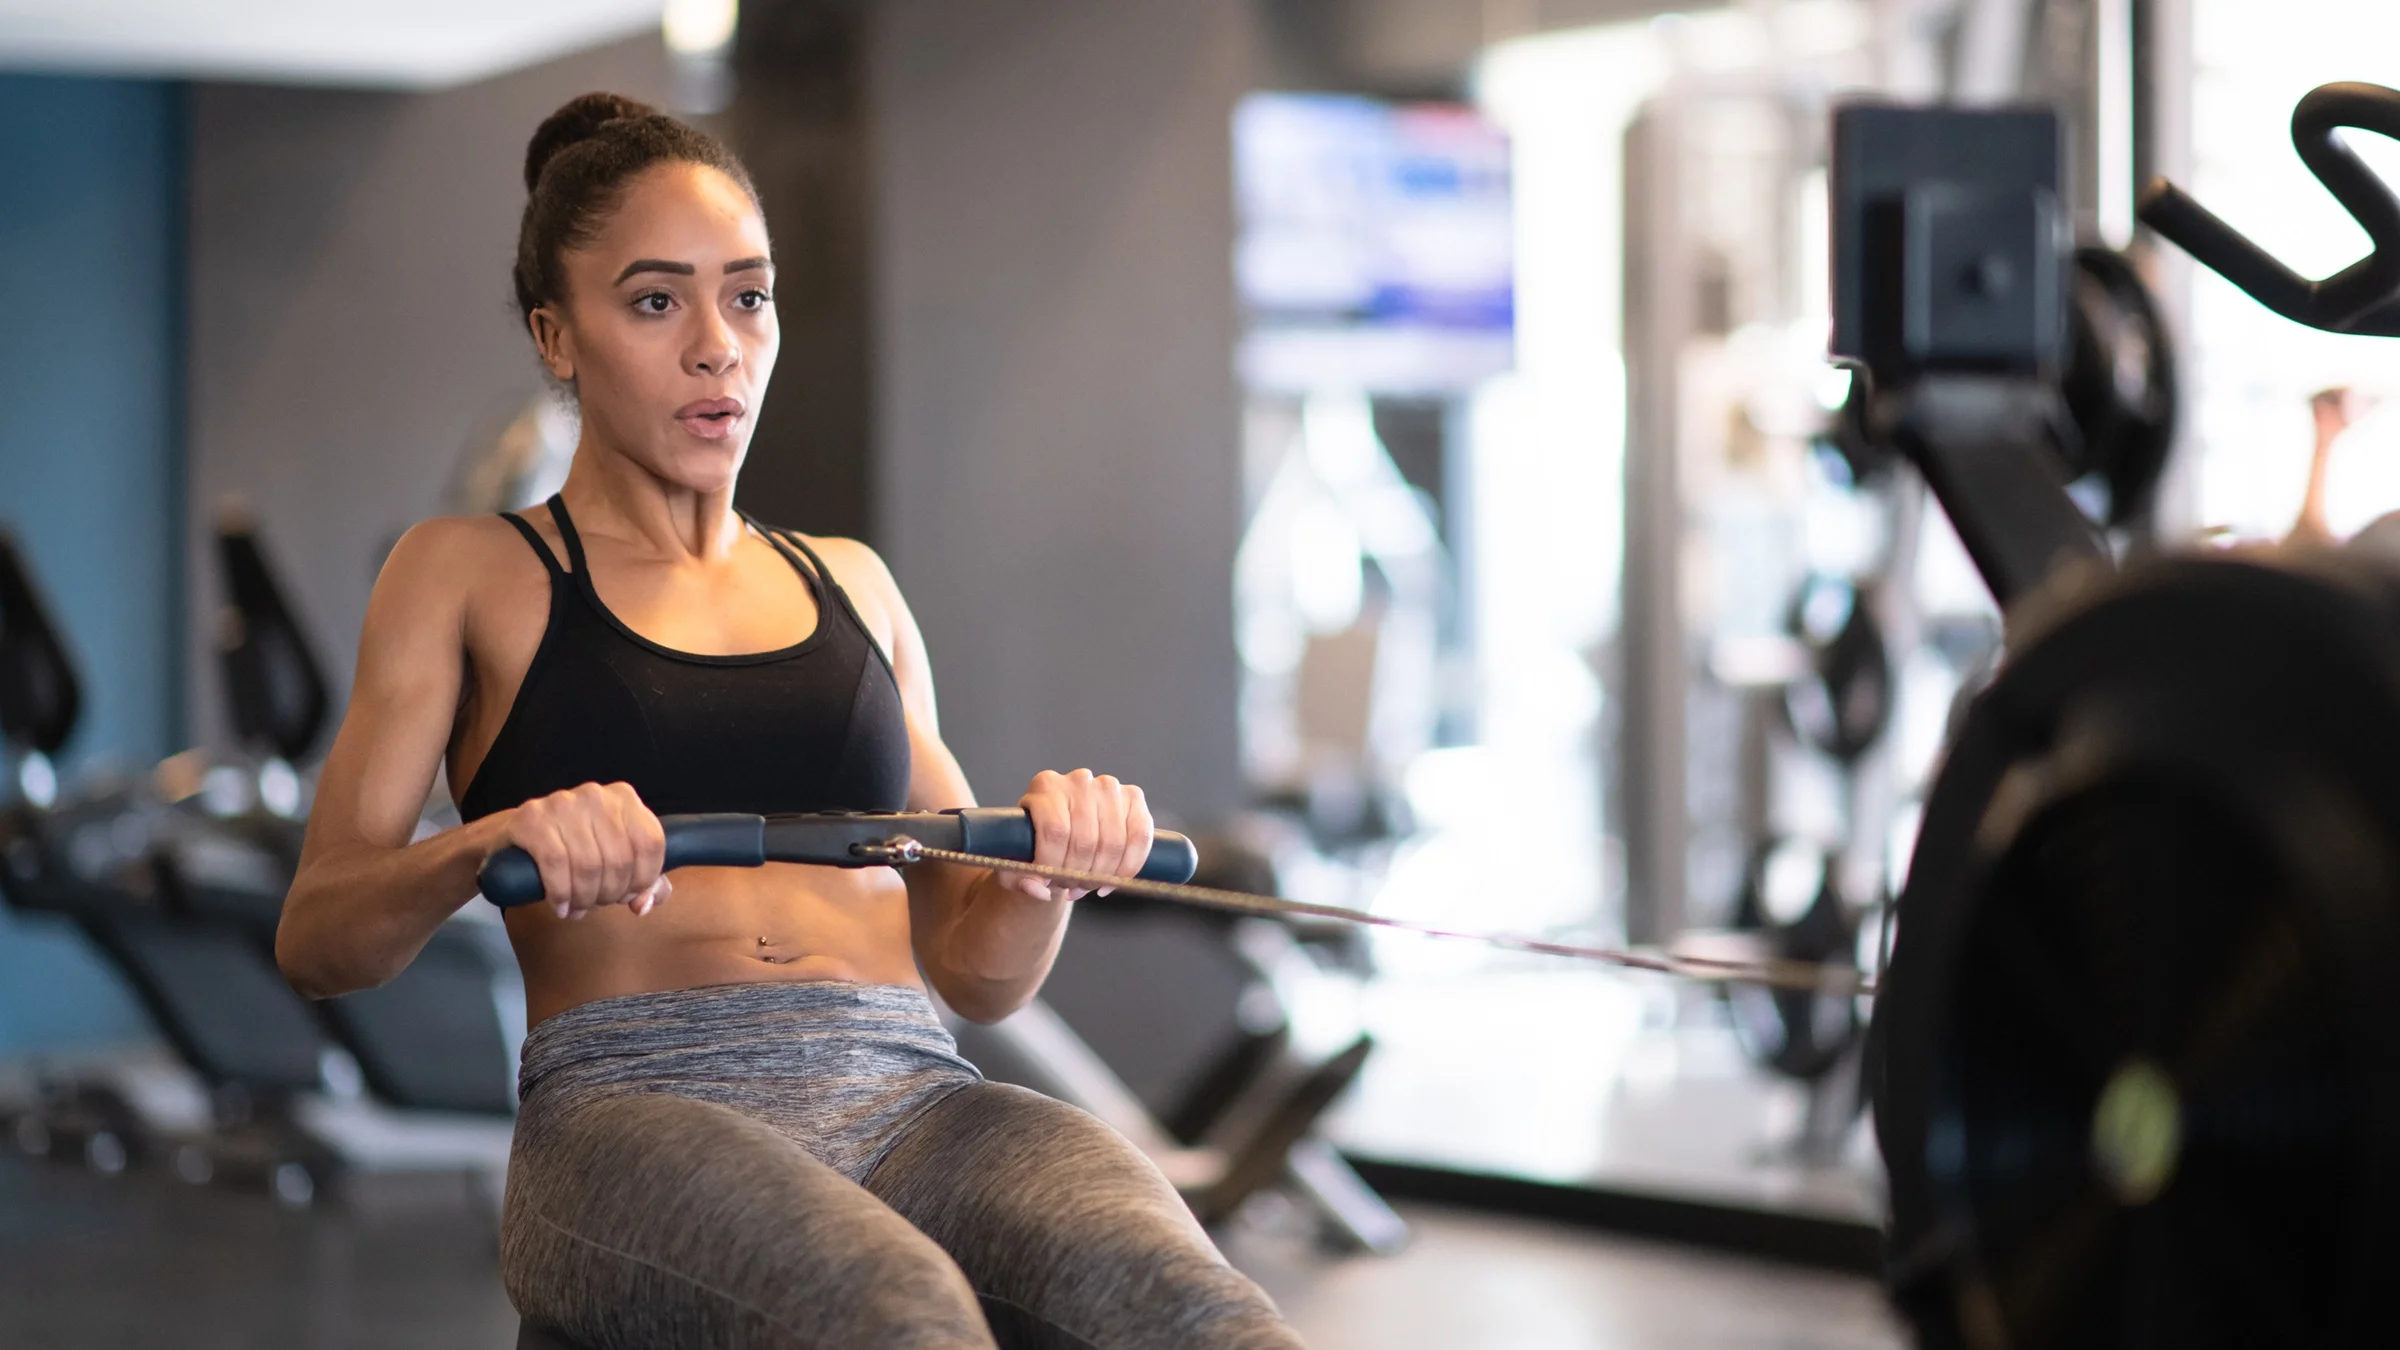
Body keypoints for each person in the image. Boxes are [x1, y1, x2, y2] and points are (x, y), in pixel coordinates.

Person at [275, 92, 1306, 1350]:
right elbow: (321, 937)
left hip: (912, 1092)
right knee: (901, 1313)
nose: (719, 347)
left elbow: (974, 976)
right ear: (557, 334)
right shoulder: (466, 572)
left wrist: (1044, 883)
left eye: (748, 296)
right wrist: (495, 838)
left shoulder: (854, 584)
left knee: (1195, 1309)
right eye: (656, 302)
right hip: (631, 1109)